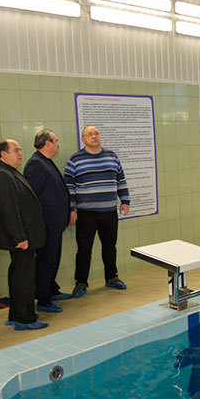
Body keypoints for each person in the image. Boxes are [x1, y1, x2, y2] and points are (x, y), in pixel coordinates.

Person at [64, 126, 130, 298]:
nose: (94, 136)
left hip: (109, 211)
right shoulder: (75, 159)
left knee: (110, 247)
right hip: (86, 213)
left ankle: (111, 277)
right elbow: (69, 187)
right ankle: (81, 282)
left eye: (96, 134)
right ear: (83, 139)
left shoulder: (112, 156)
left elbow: (120, 180)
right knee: (84, 249)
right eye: (90, 134)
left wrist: (125, 201)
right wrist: (71, 209)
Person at [0, 139, 48, 330]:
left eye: (21, 150)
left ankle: (17, 313)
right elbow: (8, 210)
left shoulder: (10, 172)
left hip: (25, 235)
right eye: (16, 150)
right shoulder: (1, 176)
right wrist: (19, 237)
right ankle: (24, 319)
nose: (20, 153)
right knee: (23, 278)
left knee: (19, 275)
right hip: (21, 238)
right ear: (3, 154)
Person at [23, 129, 72, 313]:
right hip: (46, 224)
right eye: (56, 140)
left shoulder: (45, 162)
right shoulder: (36, 164)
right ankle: (43, 299)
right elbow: (32, 199)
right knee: (45, 261)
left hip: (55, 223)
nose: (58, 144)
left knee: (53, 260)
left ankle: (51, 289)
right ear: (47, 143)